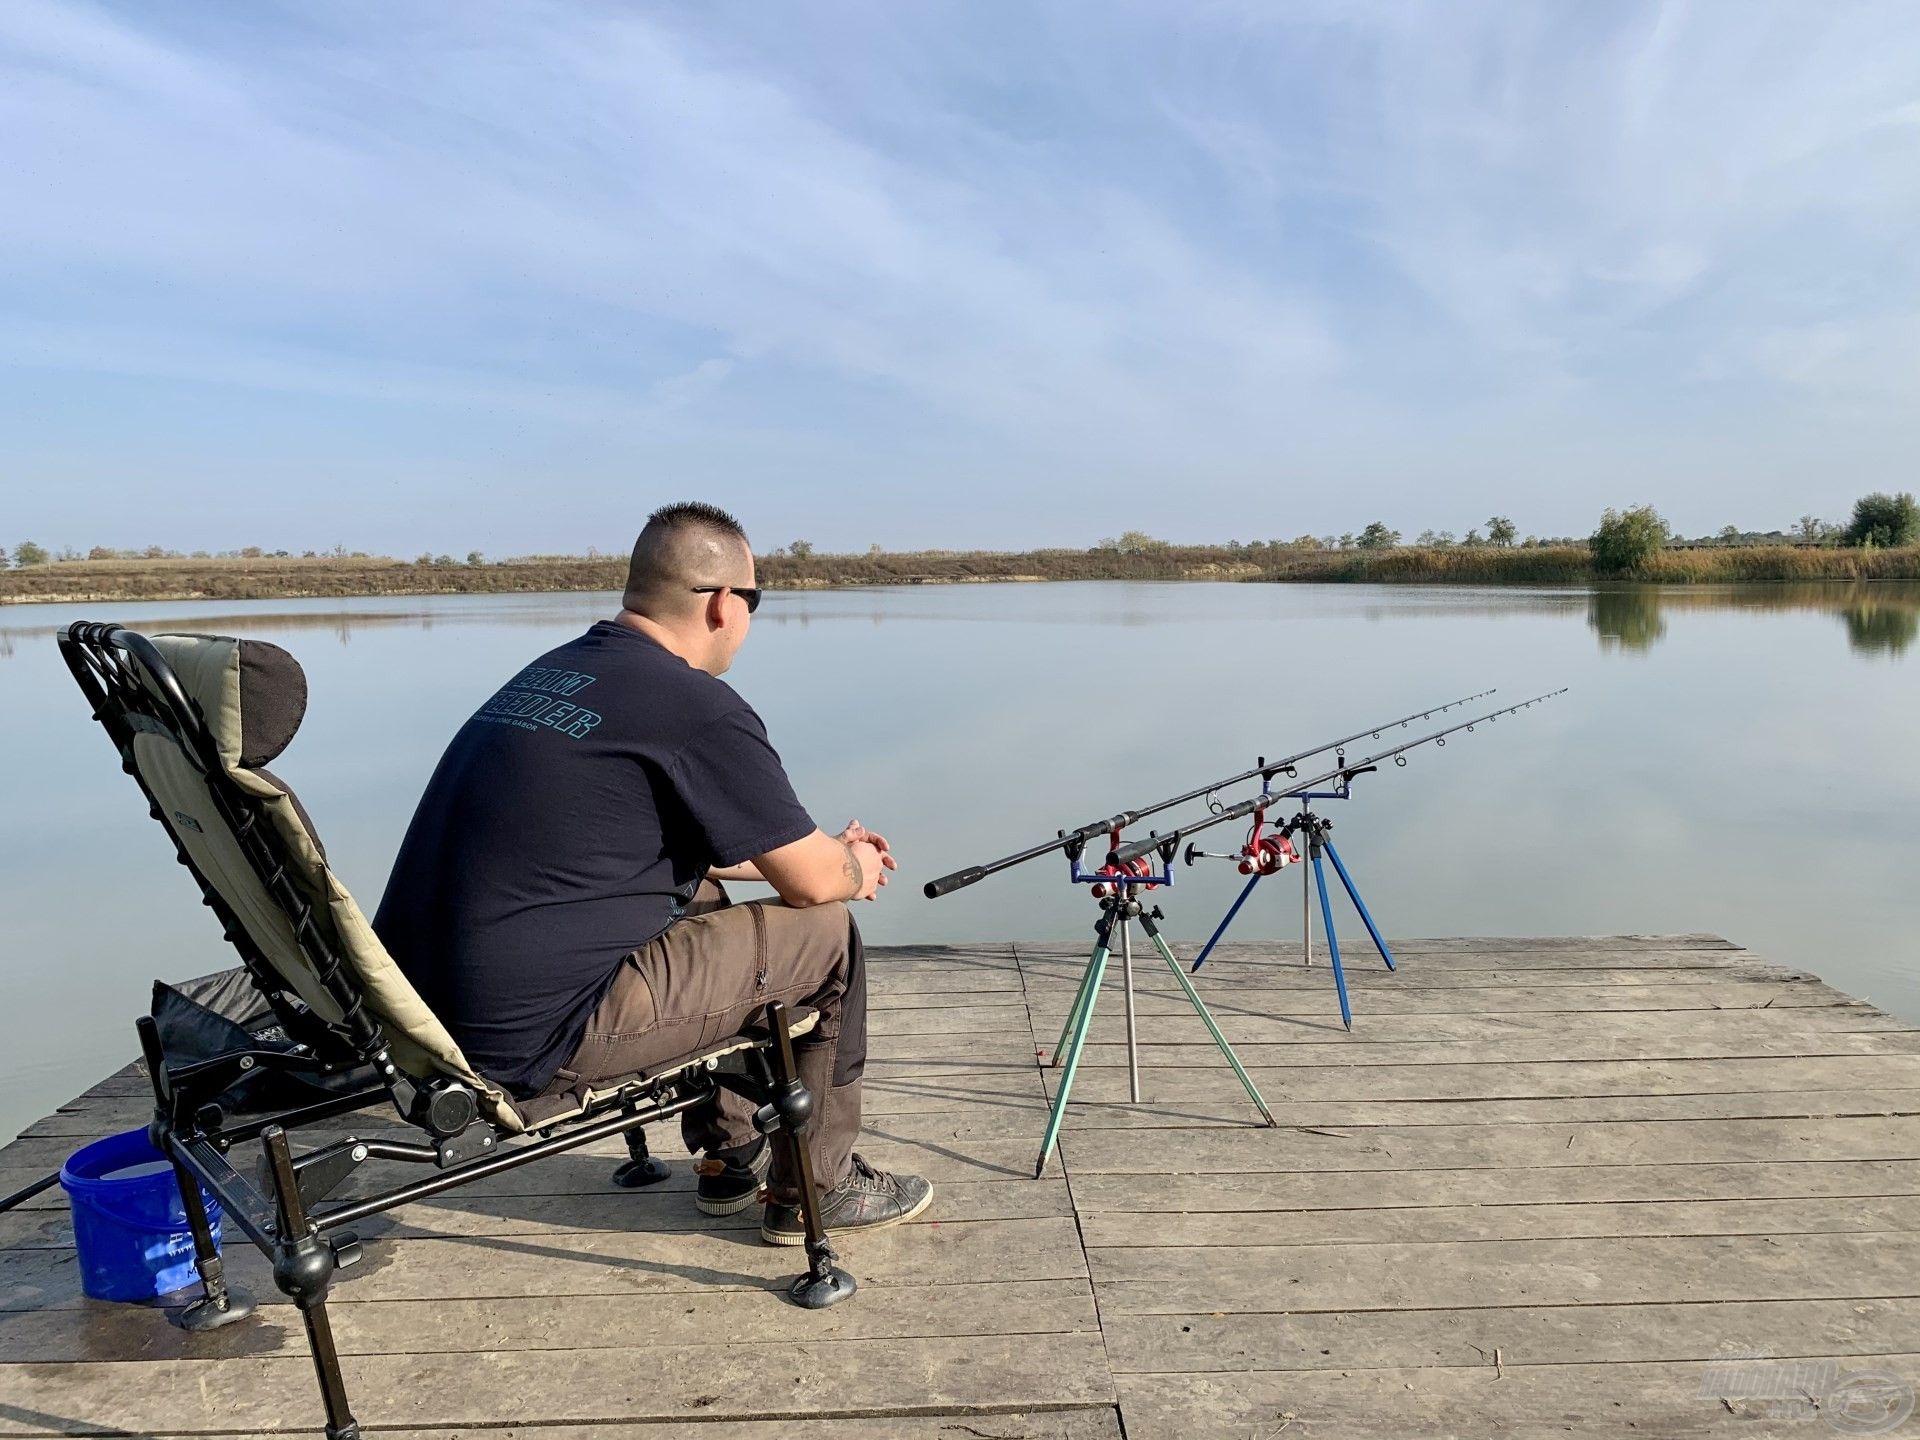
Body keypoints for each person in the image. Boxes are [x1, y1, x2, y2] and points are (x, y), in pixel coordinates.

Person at [374, 501, 932, 1244]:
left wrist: (813, 848)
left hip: (421, 1016)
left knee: (699, 892)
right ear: (725, 603)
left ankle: (729, 1156)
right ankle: (819, 1188)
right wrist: (849, 864)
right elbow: (809, 886)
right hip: (529, 1039)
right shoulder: (695, 705)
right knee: (827, 937)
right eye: (755, 600)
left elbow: (657, 839)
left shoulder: (558, 674)